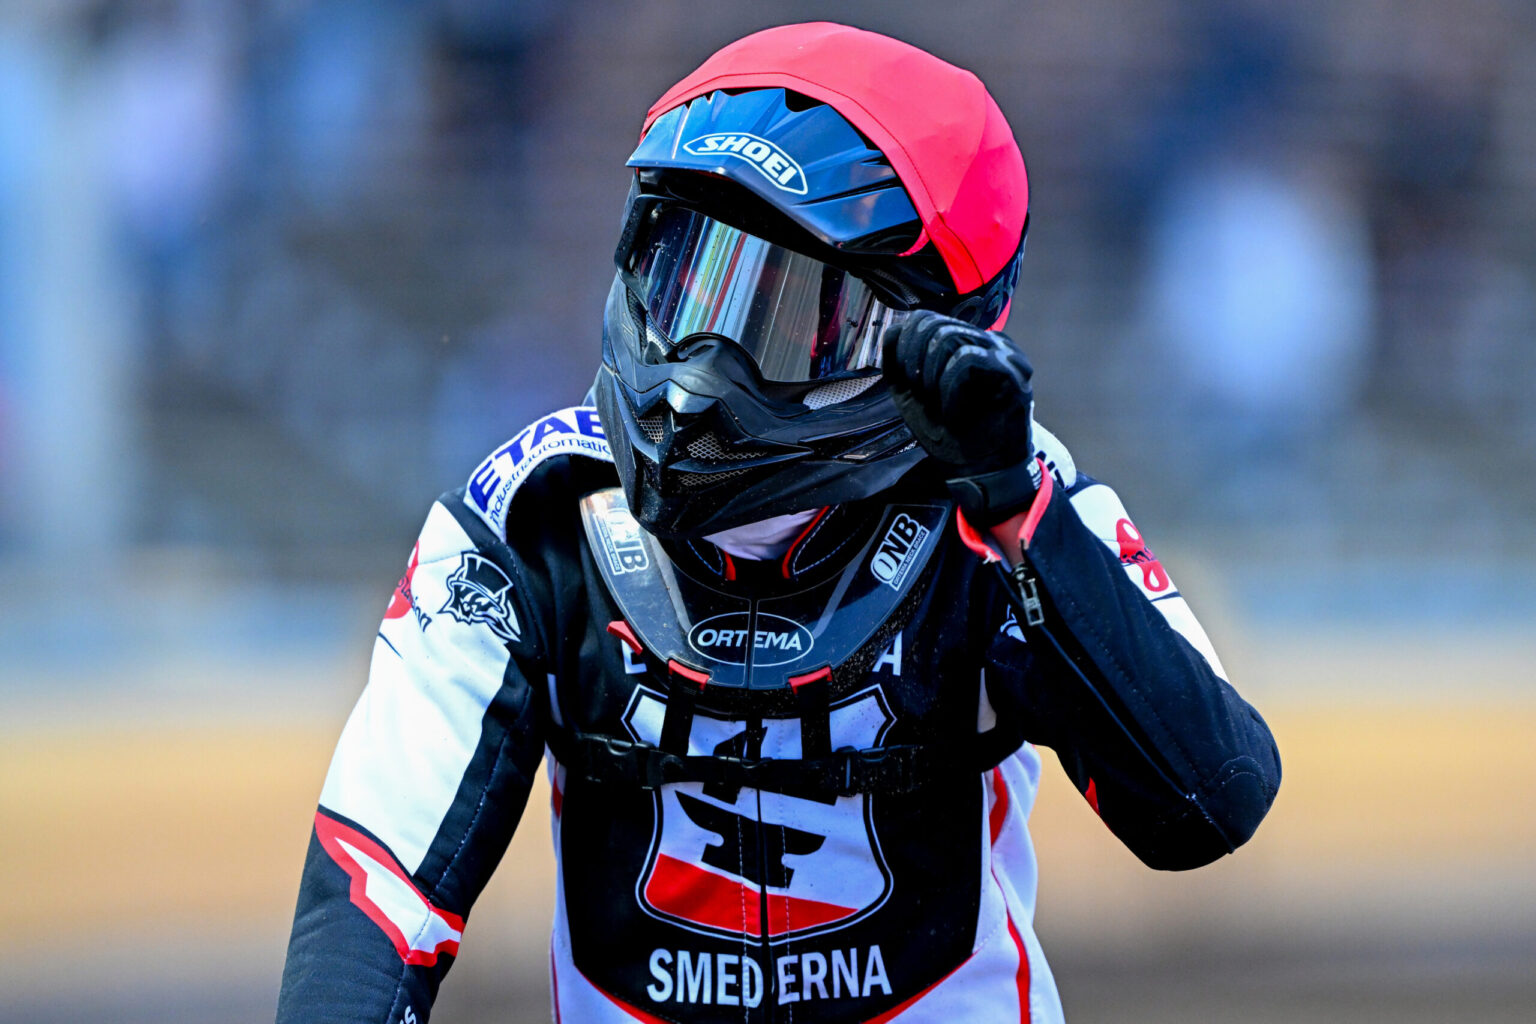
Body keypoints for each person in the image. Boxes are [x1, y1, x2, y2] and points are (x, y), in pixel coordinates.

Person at [276, 23, 1280, 1024]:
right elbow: (372, 898)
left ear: (922, 342)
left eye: (787, 314)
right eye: (690, 277)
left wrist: (1022, 523)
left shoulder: (1009, 492)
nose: (702, 368)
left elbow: (1209, 802)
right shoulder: (532, 513)